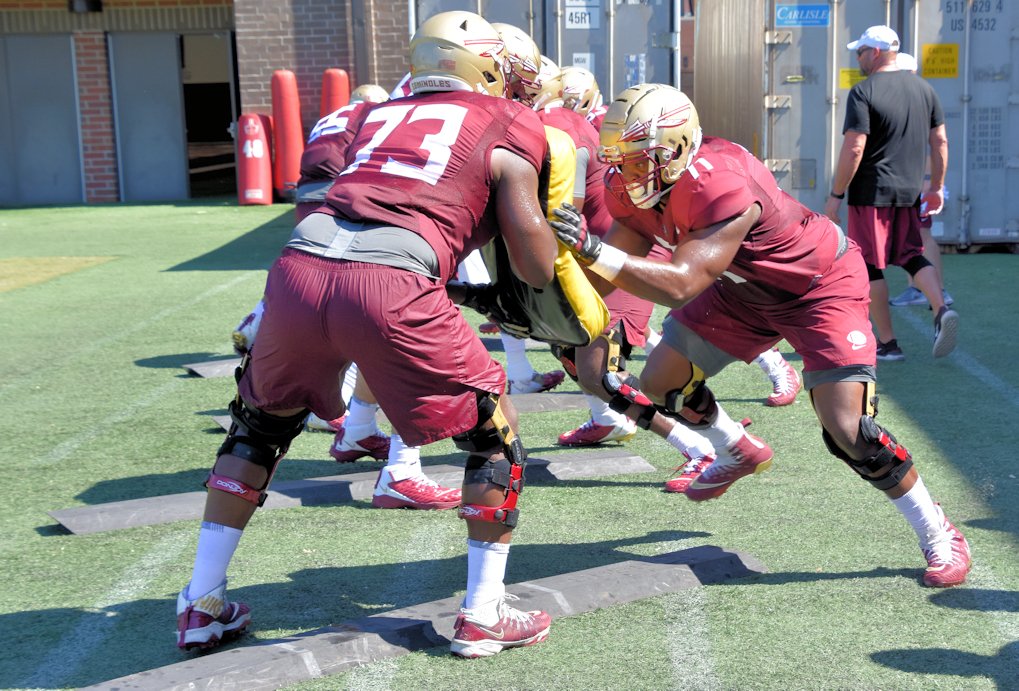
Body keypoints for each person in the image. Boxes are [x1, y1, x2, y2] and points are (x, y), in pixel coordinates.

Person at [176, 11, 556, 657]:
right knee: (495, 436)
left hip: (297, 270)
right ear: (485, 66)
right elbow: (534, 266)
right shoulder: (511, 120)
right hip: (390, 282)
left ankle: (200, 603)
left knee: (257, 428)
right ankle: (485, 611)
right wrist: (557, 225)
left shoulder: (375, 114)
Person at [552, 83, 971, 587]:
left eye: (642, 160)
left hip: (818, 286)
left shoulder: (719, 179)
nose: (628, 173)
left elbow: (682, 282)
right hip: (742, 290)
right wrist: (553, 292)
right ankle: (735, 448)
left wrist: (590, 248)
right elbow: (613, 267)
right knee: (660, 382)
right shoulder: (632, 186)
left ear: (678, 147)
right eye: (621, 161)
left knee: (849, 431)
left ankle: (937, 530)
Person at [233, 86, 462, 510]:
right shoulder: (387, 114)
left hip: (313, 205)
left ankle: (354, 425)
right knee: (401, 337)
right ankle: (401, 467)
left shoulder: (341, 114)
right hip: (363, 208)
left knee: (354, 323)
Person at [824, 26, 957, 361]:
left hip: (871, 193)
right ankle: (941, 309)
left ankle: (888, 343)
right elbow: (940, 142)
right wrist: (937, 187)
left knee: (869, 266)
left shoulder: (863, 91)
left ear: (876, 52)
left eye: (861, 52)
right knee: (913, 255)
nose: (858, 58)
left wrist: (835, 196)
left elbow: (854, 147)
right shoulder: (925, 90)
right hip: (909, 192)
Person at [887, 53, 954, 310]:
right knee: (912, 236)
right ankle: (916, 288)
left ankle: (940, 290)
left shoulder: (919, 101)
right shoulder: (910, 99)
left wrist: (928, 181)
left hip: (919, 182)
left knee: (923, 234)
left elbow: (934, 145)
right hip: (910, 181)